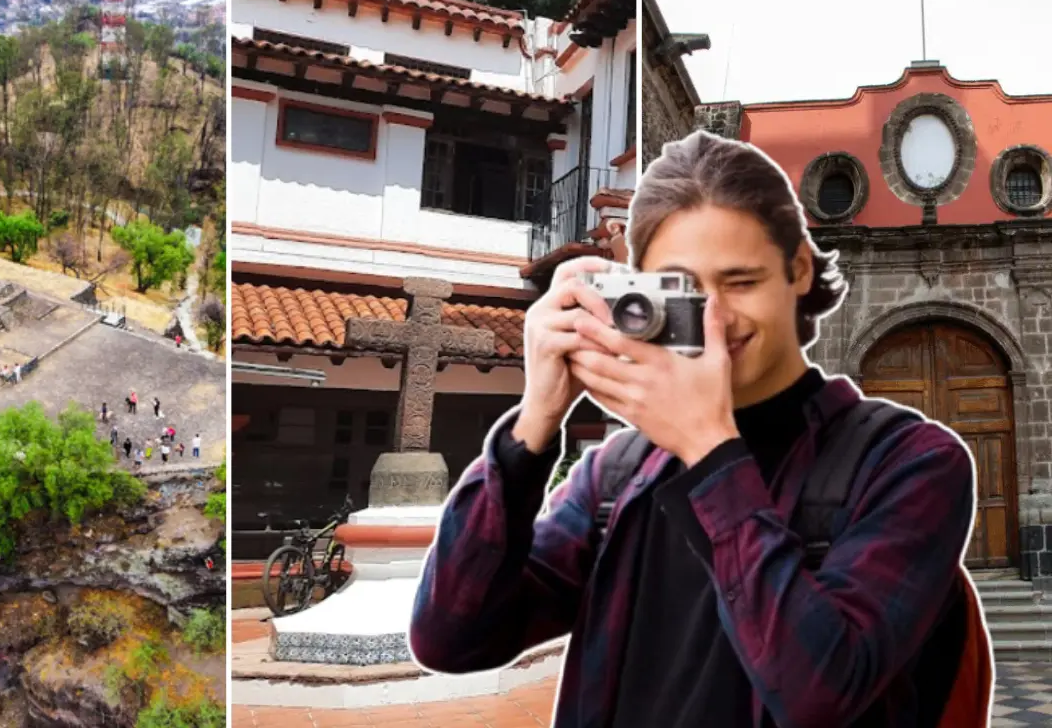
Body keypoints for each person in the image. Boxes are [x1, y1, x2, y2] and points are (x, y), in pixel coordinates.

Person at [409, 132, 986, 728]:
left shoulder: (909, 461)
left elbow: (821, 693)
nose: (714, 318)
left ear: (798, 268)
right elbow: (451, 638)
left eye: (740, 282)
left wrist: (710, 452)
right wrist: (533, 427)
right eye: (681, 289)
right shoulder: (619, 473)